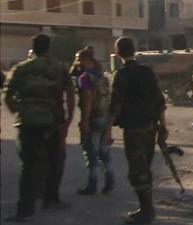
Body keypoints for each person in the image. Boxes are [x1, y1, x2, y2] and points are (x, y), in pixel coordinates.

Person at [4, 34, 75, 222]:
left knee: (29, 166)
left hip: (28, 122)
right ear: (48, 48)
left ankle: (25, 209)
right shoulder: (59, 68)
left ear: (33, 48)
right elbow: (70, 93)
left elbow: (8, 95)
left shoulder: (21, 68)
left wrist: (19, 112)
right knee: (55, 162)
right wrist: (68, 120)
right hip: (52, 121)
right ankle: (50, 200)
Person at [105, 36, 168, 225]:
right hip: (150, 127)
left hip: (134, 128)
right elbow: (159, 101)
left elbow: (115, 106)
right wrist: (163, 127)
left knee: (137, 170)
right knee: (144, 166)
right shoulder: (147, 71)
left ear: (117, 53)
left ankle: (146, 212)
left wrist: (107, 131)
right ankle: (146, 209)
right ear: (134, 50)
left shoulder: (121, 75)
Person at [75, 49, 115, 195]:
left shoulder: (84, 78)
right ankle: (110, 179)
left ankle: (92, 184)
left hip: (93, 118)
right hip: (104, 117)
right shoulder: (103, 78)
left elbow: (87, 99)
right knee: (104, 150)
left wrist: (84, 121)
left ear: (86, 60)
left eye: (79, 59)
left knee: (91, 151)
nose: (77, 63)